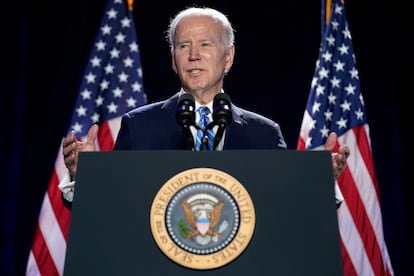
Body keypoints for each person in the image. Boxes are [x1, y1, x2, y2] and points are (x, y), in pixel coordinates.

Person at [59, 7, 350, 209]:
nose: (194, 55)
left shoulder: (263, 133)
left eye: (205, 44)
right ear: (173, 60)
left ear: (228, 57)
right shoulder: (139, 126)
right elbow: (113, 208)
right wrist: (84, 177)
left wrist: (318, 181)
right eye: (183, 46)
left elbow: (287, 209)